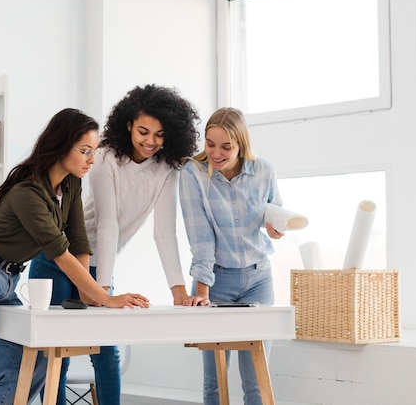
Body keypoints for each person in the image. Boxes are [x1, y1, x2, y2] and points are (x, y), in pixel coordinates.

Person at [0, 108, 150, 405]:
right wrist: (105, 297)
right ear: (61, 145)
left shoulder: (70, 183)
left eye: (94, 151)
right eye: (85, 151)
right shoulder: (27, 192)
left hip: (3, 281)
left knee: (31, 366)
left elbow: (78, 239)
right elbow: (60, 253)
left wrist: (87, 293)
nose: (92, 160)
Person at [29, 84, 200, 404]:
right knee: (58, 355)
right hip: (58, 260)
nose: (150, 141)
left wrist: (178, 290)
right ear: (128, 125)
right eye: (143, 131)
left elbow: (164, 231)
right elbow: (107, 225)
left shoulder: (167, 170)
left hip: (98, 268)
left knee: (107, 355)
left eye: (160, 134)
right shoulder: (104, 157)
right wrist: (102, 290)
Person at [178, 107, 285, 405]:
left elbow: (274, 213)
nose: (216, 153)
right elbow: (200, 237)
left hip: (258, 279)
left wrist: (276, 227)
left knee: (255, 378)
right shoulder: (193, 174)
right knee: (216, 379)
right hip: (216, 282)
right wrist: (202, 291)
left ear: (241, 144)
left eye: (226, 146)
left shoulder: (264, 170)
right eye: (210, 144)